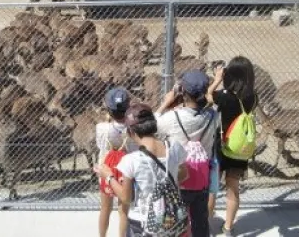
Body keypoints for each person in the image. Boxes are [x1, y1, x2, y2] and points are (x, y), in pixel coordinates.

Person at [94, 103, 189, 237]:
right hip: (171, 216)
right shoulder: (174, 147)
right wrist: (163, 179)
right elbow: (185, 174)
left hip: (142, 221)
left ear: (130, 131)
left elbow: (126, 198)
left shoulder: (131, 160)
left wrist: (108, 177)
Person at [154, 69, 220, 237]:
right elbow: (208, 105)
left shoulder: (172, 118)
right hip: (201, 178)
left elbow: (153, 126)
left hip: (178, 178)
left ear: (183, 92)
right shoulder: (212, 117)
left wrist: (166, 104)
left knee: (176, 222)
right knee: (200, 221)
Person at [204, 56, 258, 236]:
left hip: (222, 146)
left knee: (213, 187)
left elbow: (208, 96)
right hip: (240, 149)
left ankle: (206, 223)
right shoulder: (252, 97)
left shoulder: (226, 96)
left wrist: (217, 79)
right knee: (233, 187)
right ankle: (228, 228)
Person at [96, 88, 136, 237]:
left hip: (106, 169)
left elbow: (101, 146)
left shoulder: (101, 128)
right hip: (126, 171)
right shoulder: (132, 128)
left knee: (105, 208)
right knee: (123, 209)